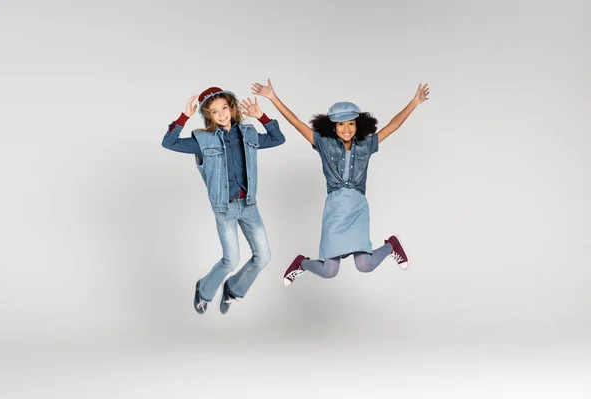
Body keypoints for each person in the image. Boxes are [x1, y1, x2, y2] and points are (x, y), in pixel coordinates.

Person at [251, 79, 429, 286]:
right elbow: (297, 123)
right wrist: (273, 98)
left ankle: (391, 245)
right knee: (329, 271)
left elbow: (394, 125)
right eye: (341, 124)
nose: (347, 128)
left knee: (365, 265)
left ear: (358, 125)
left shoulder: (366, 145)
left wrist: (414, 102)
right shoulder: (324, 144)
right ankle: (302, 263)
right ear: (333, 127)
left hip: (357, 208)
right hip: (335, 208)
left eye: (351, 123)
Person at [161, 87, 285, 312]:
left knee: (264, 256)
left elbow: (278, 138)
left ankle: (234, 289)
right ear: (208, 116)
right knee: (231, 260)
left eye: (224, 108)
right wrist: (184, 117)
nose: (221, 115)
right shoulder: (203, 140)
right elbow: (169, 143)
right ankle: (204, 290)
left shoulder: (248, 134)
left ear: (232, 107)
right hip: (224, 208)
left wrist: (262, 117)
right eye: (214, 112)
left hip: (249, 205)